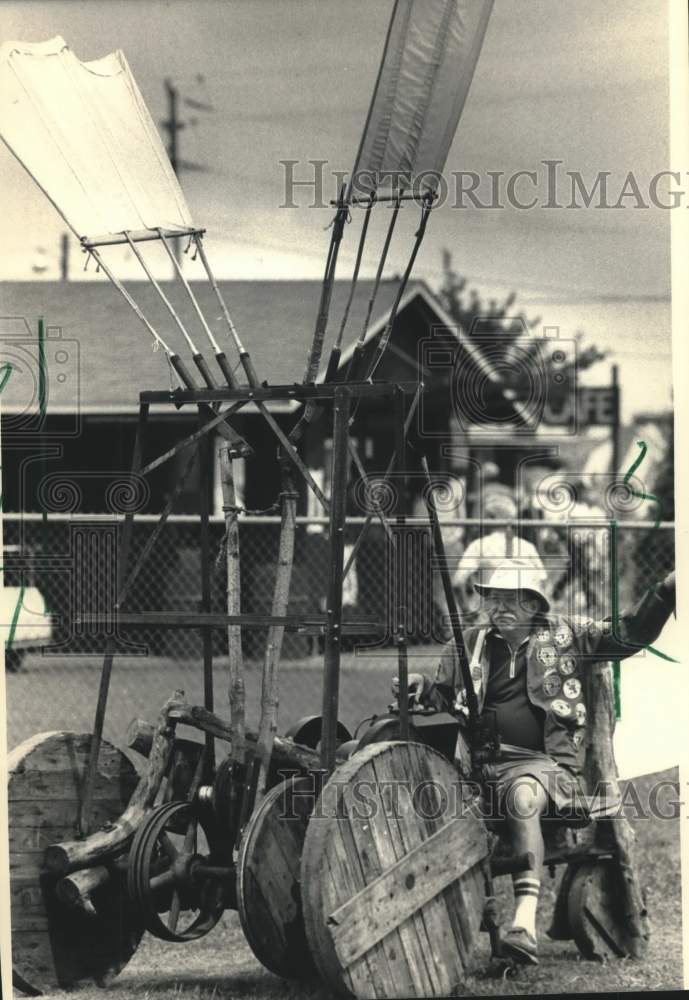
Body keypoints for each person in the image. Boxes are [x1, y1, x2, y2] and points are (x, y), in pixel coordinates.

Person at [393, 557, 676, 965]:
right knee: (418, 800)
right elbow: (444, 694)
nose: (500, 608)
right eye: (493, 598)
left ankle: (523, 925)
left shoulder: (568, 635)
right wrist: (419, 687)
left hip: (545, 767)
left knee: (522, 797)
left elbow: (629, 633)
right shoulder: (467, 642)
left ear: (534, 603)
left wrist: (665, 591)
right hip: (476, 765)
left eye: (513, 600)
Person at [453, 487, 547, 612]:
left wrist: (467, 613)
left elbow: (457, 582)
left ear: (490, 518)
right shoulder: (527, 546)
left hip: (489, 611)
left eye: (484, 516)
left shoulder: (479, 545)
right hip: (521, 613)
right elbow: (542, 581)